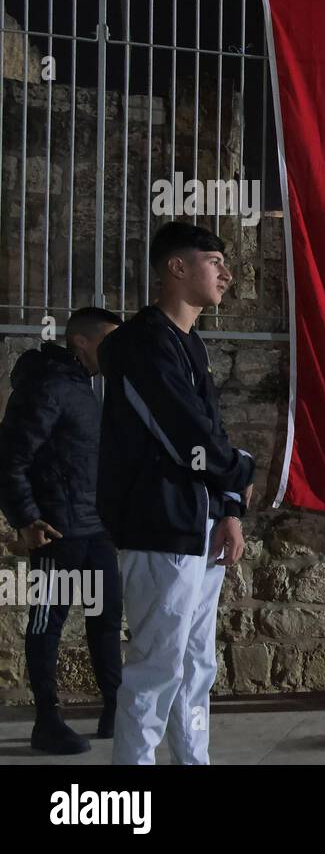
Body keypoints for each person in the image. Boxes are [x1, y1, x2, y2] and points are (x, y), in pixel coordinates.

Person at [97, 221, 256, 765]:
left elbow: (212, 428)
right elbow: (185, 435)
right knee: (155, 670)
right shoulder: (139, 344)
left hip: (199, 530)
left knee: (195, 670)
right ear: (177, 268)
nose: (227, 274)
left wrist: (229, 510)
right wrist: (242, 471)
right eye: (215, 261)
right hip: (159, 527)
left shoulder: (192, 345)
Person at [0, 307, 122, 754]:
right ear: (81, 342)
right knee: (47, 623)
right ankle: (46, 721)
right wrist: (27, 520)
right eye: (108, 341)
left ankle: (114, 709)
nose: (115, 351)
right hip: (57, 532)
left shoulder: (82, 386)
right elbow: (11, 459)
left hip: (95, 530)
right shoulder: (47, 386)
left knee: (106, 621)